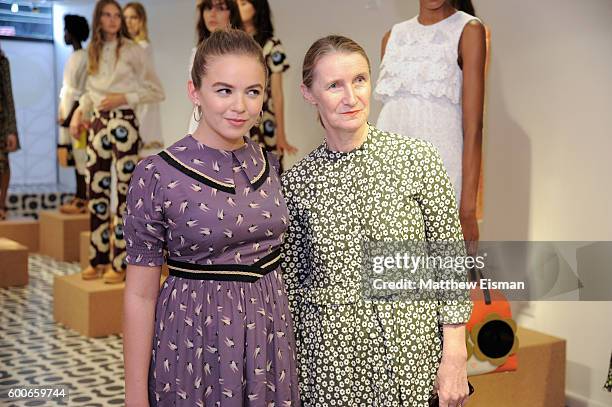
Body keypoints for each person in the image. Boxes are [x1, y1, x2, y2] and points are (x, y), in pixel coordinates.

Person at [281, 35, 472, 406]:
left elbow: (449, 261)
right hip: (332, 369)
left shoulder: (416, 159)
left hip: (411, 361)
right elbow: (292, 291)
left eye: (359, 80)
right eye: (334, 85)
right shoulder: (295, 185)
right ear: (308, 93)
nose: (351, 97)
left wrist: (455, 354)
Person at [123, 29, 300, 406]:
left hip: (269, 345)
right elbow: (139, 295)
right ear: (194, 92)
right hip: (194, 345)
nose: (240, 105)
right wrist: (135, 396)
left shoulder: (270, 165)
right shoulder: (157, 173)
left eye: (253, 91)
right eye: (224, 90)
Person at [375, 0, 486, 251]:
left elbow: (474, 127)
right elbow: (391, 116)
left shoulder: (468, 29)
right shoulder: (393, 36)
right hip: (388, 178)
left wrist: (467, 210)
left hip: (441, 177)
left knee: (438, 279)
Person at [70, 0, 164, 283]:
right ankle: (96, 259)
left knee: (125, 195)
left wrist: (123, 98)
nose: (112, 21)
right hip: (97, 123)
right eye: (107, 15)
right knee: (96, 192)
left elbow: (156, 90)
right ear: (98, 19)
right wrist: (78, 113)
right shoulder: (92, 52)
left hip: (124, 122)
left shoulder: (134, 50)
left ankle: (120, 262)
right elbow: (90, 93)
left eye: (116, 16)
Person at [237, 0, 297, 170]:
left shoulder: (272, 45)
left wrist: (282, 135)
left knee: (270, 174)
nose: (237, 7)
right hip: (237, 116)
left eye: (243, 3)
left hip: (265, 121)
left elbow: (277, 93)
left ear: (257, 7)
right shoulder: (231, 45)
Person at [187, 0, 243, 134]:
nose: (212, 14)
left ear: (232, 13)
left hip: (232, 120)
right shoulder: (197, 51)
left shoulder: (242, 53)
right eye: (207, 8)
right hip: (201, 122)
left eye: (220, 8)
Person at [58, 14, 90, 215]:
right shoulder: (72, 57)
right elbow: (67, 90)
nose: (64, 34)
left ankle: (84, 197)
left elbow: (84, 90)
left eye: (66, 30)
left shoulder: (85, 57)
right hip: (67, 112)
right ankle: (78, 194)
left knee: (81, 156)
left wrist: (72, 115)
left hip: (78, 114)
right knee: (72, 155)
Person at [123, 2, 164, 156]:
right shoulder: (127, 46)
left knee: (140, 156)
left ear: (141, 21)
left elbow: (143, 82)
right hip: (131, 102)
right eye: (125, 17)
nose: (128, 22)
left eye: (133, 17)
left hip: (143, 105)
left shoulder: (142, 46)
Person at [0, 45, 19, 221]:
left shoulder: (2, 61)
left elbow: (8, 96)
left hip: (1, 121)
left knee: (3, 164)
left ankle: (2, 204)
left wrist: (12, 130)